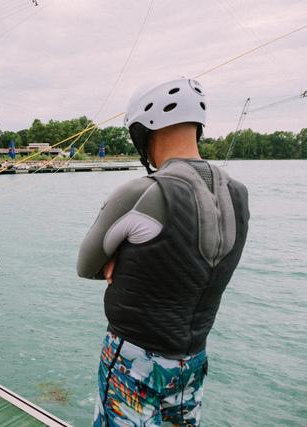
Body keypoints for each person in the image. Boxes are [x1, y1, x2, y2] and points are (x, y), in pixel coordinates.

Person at [77, 77, 250, 426]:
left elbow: (85, 265)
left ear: (145, 130)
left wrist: (119, 259)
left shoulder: (140, 193)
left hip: (134, 362)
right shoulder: (238, 193)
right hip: (193, 362)